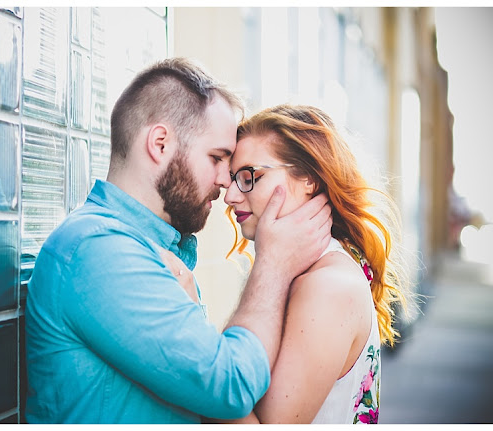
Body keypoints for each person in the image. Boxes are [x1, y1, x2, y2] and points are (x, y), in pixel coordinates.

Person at [24, 58, 333, 424]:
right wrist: (273, 265)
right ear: (160, 144)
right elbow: (228, 386)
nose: (225, 183)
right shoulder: (99, 250)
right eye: (217, 158)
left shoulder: (141, 247)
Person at [203, 104, 412, 424]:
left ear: (309, 179)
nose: (230, 195)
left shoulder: (327, 286)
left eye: (248, 176)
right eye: (232, 178)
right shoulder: (309, 269)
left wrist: (193, 347)